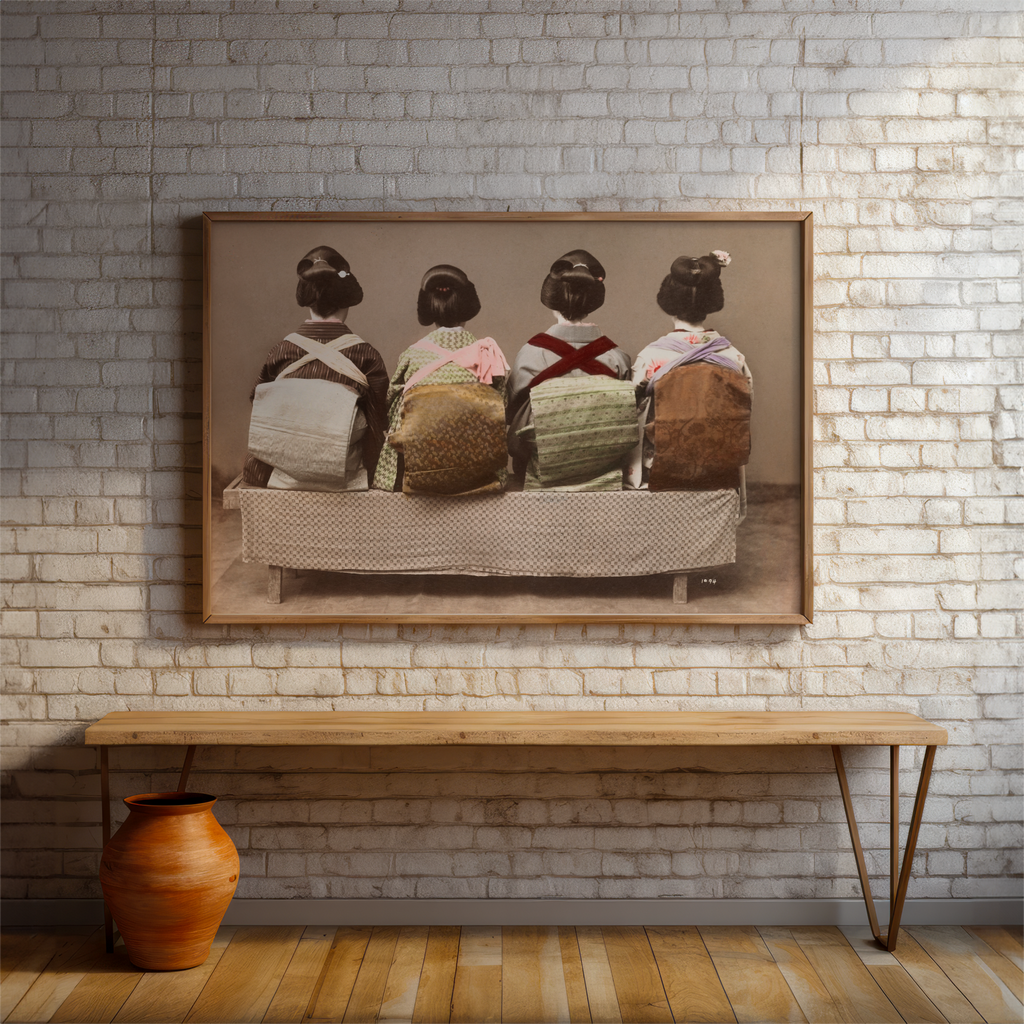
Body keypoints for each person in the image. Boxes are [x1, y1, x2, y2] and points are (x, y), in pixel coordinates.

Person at [242, 246, 389, 490]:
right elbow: (379, 417)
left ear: (307, 301)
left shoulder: (281, 351)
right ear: (347, 303)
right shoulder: (366, 355)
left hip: (278, 473)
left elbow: (257, 401)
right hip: (346, 475)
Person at [373, 265, 509, 493]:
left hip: (420, 468)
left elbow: (392, 407)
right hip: (478, 472)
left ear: (429, 310)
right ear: (468, 307)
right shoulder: (487, 353)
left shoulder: (412, 355)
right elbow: (503, 411)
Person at [506, 250, 635, 489]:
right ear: (593, 303)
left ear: (551, 302)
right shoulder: (618, 359)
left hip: (541, 474)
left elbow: (513, 417)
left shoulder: (529, 355)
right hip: (605, 478)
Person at [630, 250, 753, 491]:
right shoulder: (733, 357)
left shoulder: (652, 357)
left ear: (668, 301)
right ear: (712, 302)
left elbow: (630, 409)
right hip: (719, 470)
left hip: (662, 469)